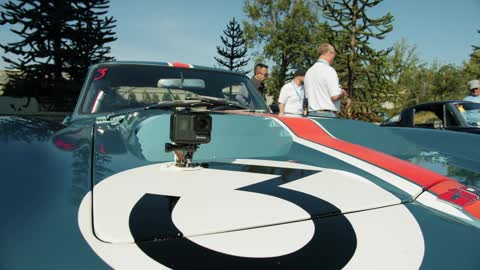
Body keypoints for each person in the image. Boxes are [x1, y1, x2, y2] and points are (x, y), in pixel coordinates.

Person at [304, 43, 347, 117]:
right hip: (327, 115)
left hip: (311, 114)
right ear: (330, 53)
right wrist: (343, 93)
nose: (334, 58)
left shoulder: (309, 71)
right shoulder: (329, 70)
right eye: (334, 55)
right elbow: (335, 96)